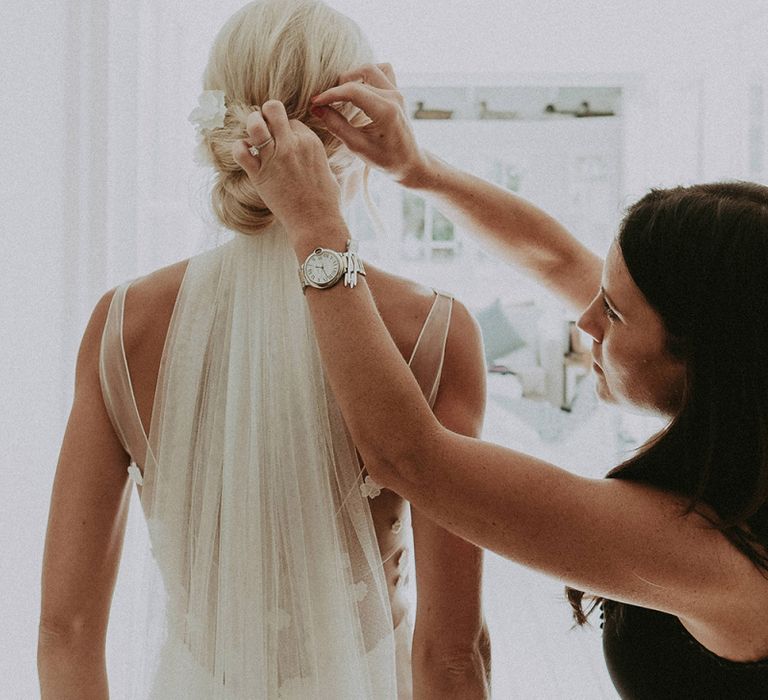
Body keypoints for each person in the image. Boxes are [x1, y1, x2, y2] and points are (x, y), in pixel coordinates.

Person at [229, 62, 768, 698]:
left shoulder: (716, 559)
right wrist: (419, 170)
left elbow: (409, 457)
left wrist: (319, 230)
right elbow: (558, 260)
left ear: (704, 357)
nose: (584, 322)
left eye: (614, 314)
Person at [36, 3, 491, 698]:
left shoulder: (122, 326)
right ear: (358, 127)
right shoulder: (429, 331)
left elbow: (65, 632)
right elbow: (451, 655)